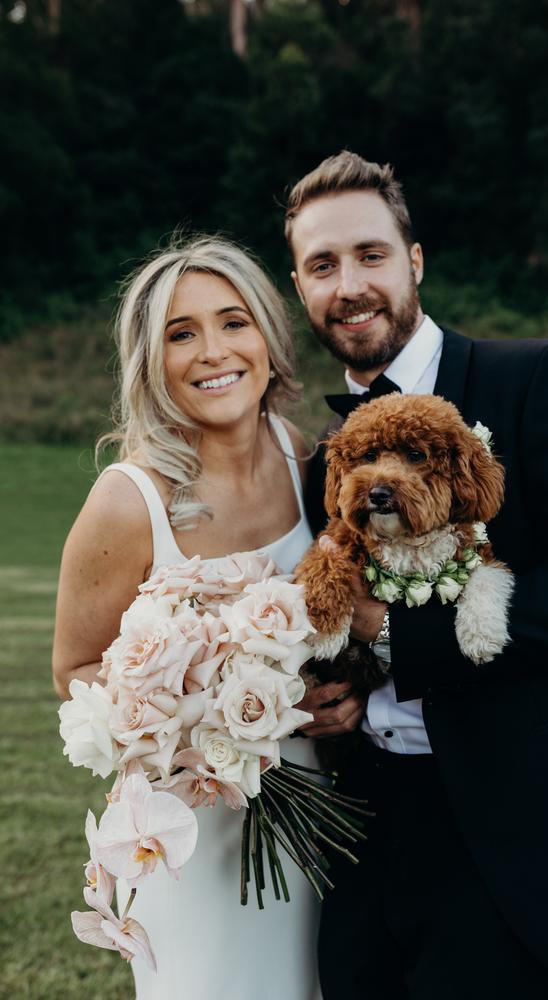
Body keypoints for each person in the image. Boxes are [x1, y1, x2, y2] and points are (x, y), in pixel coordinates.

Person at [284, 151, 548, 1000]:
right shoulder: (321, 461)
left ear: (413, 261)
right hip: (360, 835)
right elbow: (330, 607)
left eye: (371, 254)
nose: (351, 285)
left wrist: (394, 631)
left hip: (509, 843)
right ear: (301, 288)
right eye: (322, 265)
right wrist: (323, 695)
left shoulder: (540, 379)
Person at [52, 235, 359, 1000]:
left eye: (233, 322)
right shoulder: (129, 502)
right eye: (180, 334)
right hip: (196, 829)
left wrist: (339, 694)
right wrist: (212, 716)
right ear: (148, 361)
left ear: (267, 335)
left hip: (326, 809)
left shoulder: (305, 458)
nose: (212, 351)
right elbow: (75, 670)